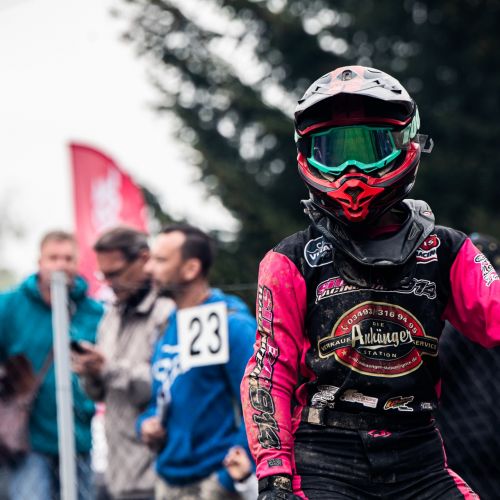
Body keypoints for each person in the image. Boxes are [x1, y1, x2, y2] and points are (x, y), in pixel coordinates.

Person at [241, 65, 500, 499]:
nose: (352, 170)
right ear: (308, 155)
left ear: (406, 143)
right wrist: (274, 474)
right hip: (325, 458)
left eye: (369, 148)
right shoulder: (289, 260)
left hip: (418, 454)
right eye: (333, 151)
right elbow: (269, 371)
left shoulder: (447, 248)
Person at [137, 223, 256, 500]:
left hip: (213, 481)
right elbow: (162, 397)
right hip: (169, 481)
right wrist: (146, 423)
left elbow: (261, 407)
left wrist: (226, 481)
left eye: (160, 260)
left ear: (191, 269)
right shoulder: (169, 325)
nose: (148, 269)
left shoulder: (232, 325)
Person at [0, 230, 103, 500]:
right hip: (28, 438)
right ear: (40, 262)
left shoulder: (93, 311)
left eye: (68, 258)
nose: (61, 265)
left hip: (79, 436)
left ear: (78, 262)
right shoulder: (10, 306)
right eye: (53, 258)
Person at [73, 227, 174, 500]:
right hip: (119, 473)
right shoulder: (111, 316)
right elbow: (98, 394)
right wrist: (90, 372)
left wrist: (107, 369)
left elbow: (168, 386)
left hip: (159, 473)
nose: (109, 283)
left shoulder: (168, 312)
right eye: (103, 275)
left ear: (144, 259)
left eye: (115, 273)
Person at [437, 232, 500, 498]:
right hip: (468, 435)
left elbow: (433, 364)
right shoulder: (473, 310)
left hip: (461, 435)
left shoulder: (455, 314)